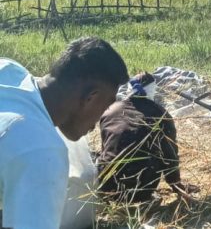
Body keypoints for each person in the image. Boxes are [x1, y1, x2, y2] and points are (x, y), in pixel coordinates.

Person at [0, 37, 129, 229]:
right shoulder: (41, 151)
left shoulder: (8, 70)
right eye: (105, 106)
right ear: (91, 98)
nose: (96, 124)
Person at [97, 72, 191, 204]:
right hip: (140, 190)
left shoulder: (109, 111)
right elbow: (169, 157)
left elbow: (107, 149)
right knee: (154, 154)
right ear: (153, 91)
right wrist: (176, 185)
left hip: (106, 187)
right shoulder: (161, 115)